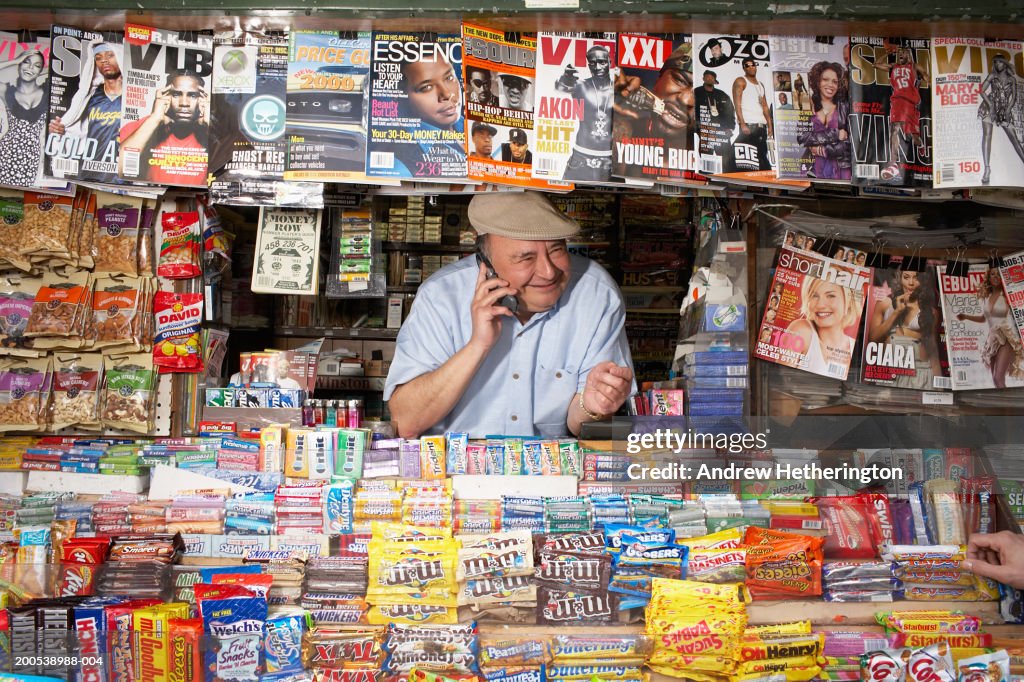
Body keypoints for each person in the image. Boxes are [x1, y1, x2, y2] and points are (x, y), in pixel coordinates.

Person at [385, 191, 636, 439]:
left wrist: (591, 407)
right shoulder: (441, 296)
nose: (548, 272)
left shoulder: (596, 294)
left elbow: (582, 424)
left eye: (557, 250)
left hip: (551, 472)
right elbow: (406, 423)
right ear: (487, 265)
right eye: (525, 258)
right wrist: (477, 346)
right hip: (454, 473)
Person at [47, 38, 123, 184]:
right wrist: (60, 130)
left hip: (121, 172)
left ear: (120, 56)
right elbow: (78, 130)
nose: (104, 61)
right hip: (89, 170)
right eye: (98, 58)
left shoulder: (133, 97)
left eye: (110, 55)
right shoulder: (92, 95)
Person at [612, 45, 695, 175]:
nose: (686, 101)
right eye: (679, 80)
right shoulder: (625, 128)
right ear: (658, 80)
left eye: (699, 94)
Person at [119, 69, 209, 186]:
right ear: (166, 97)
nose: (184, 103)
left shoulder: (212, 131)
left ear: (203, 100)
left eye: (192, 95)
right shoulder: (141, 128)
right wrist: (155, 119)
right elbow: (118, 172)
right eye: (176, 94)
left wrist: (210, 123)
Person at [868, 269, 942, 389]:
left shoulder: (930, 312)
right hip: (890, 370)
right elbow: (873, 339)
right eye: (906, 277)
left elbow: (933, 351)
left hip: (920, 373)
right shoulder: (884, 303)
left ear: (922, 281)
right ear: (900, 278)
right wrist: (896, 312)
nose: (911, 283)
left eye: (916, 278)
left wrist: (940, 389)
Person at [955, 266, 1024, 388]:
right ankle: (1004, 404)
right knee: (994, 379)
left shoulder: (1007, 295)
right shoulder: (987, 297)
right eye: (993, 274)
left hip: (1006, 338)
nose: (996, 277)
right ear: (988, 277)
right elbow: (983, 318)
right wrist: (965, 316)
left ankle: (1006, 406)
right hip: (992, 339)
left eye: (998, 274)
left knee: (998, 378)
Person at [560, 45, 614, 182]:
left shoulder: (620, 90)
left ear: (610, 62)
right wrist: (566, 77)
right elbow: (561, 87)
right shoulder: (581, 86)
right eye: (592, 63)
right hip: (581, 158)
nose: (597, 67)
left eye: (602, 62)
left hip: (609, 161)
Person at [786, 276, 860, 375]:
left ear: (849, 301)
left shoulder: (854, 347)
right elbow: (780, 379)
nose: (820, 305)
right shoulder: (801, 331)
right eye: (814, 295)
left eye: (830, 296)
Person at [0, 49, 48, 189]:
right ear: (19, 65)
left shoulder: (47, 91)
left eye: (37, 65)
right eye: (26, 62)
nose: (30, 67)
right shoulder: (6, 91)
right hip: (5, 153)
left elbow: (70, 79)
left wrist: (43, 71)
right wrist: (14, 61)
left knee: (23, 199)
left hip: (31, 156)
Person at [797, 61, 851, 180]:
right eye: (825, 79)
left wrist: (824, 150)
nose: (830, 85)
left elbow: (852, 141)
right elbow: (802, 137)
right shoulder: (808, 104)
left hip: (841, 168)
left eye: (835, 81)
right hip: (813, 167)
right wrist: (836, 133)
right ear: (818, 81)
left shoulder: (845, 106)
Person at [881, 47, 928, 182]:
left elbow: (926, 75)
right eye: (899, 53)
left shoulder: (914, 66)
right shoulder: (893, 67)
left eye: (904, 53)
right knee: (894, 130)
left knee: (912, 136)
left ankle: (920, 145)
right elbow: (876, 65)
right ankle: (893, 163)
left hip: (910, 104)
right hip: (897, 102)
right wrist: (886, 53)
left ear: (910, 55)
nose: (901, 55)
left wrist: (926, 78)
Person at [978, 54, 1024, 185]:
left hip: (1004, 109)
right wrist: (991, 105)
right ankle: (987, 169)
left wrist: (1008, 110)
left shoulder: (1011, 79)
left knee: (1014, 139)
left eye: (1000, 62)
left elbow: (1014, 97)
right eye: (995, 62)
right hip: (989, 107)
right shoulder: (992, 76)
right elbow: (981, 90)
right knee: (987, 136)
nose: (997, 64)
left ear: (1005, 64)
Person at [731, 58, 774, 172]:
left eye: (753, 65)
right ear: (744, 68)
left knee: (760, 157)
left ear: (756, 66)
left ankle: (764, 184)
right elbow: (737, 104)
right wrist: (743, 124)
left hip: (761, 127)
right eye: (747, 65)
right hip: (749, 126)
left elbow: (765, 106)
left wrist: (770, 126)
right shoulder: (741, 81)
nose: (751, 67)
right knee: (747, 160)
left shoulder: (760, 85)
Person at [693, 69, 735, 163]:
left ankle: (724, 176)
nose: (709, 79)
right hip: (706, 130)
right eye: (707, 76)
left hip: (722, 131)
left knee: (726, 158)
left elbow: (730, 111)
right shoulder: (696, 92)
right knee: (706, 159)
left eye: (711, 77)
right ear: (703, 78)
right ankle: (707, 176)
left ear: (714, 80)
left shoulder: (722, 94)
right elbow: (690, 110)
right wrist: (697, 127)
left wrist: (730, 128)